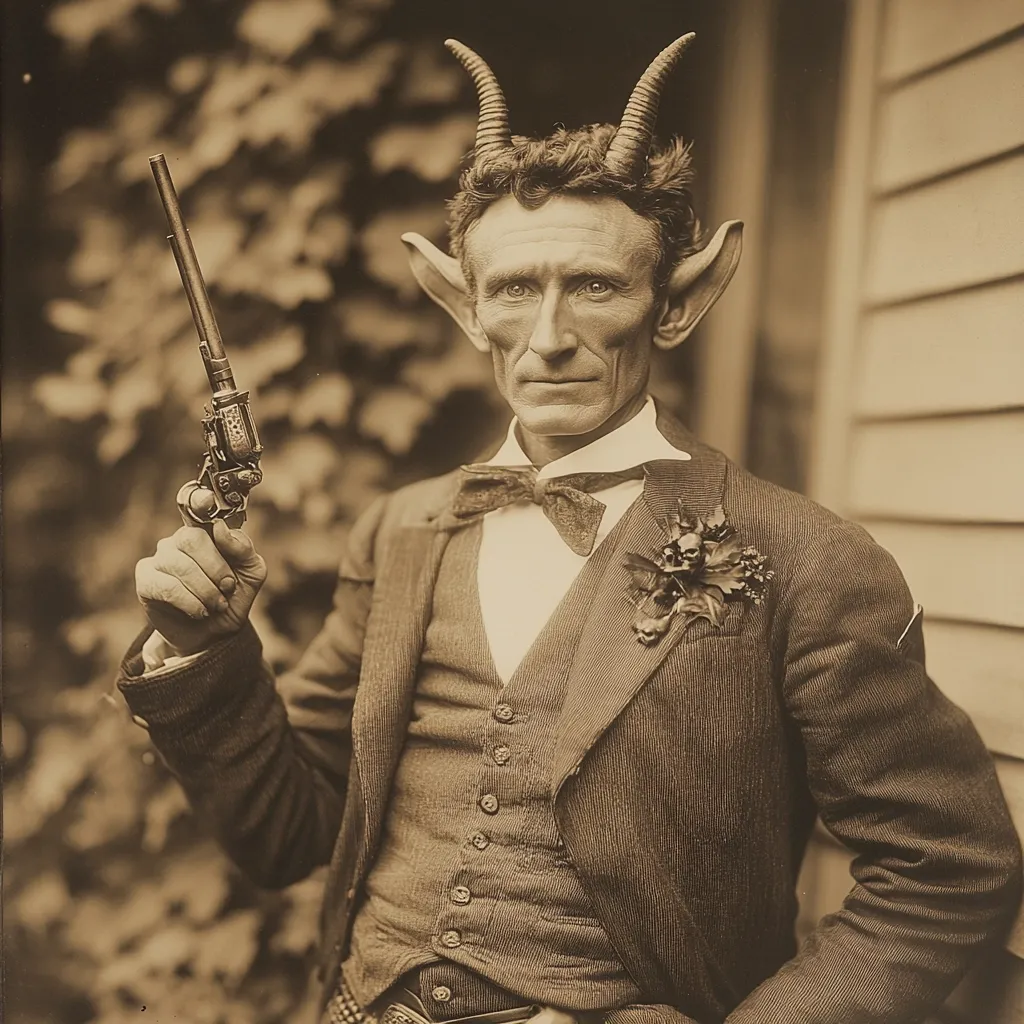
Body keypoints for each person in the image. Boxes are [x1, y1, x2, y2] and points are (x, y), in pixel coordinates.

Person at [121, 34, 1022, 1024]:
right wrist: (203, 651)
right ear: (464, 305)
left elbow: (946, 865)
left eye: (593, 285)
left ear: (677, 301)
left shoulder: (807, 558)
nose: (547, 337)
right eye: (513, 288)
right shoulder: (400, 531)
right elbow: (287, 832)